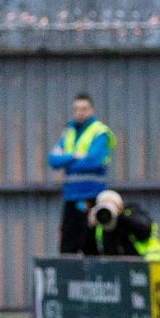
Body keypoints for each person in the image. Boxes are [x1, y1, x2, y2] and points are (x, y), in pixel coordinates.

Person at [47, 94, 114, 254]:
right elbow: (52, 160)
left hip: (91, 197)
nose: (80, 113)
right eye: (77, 109)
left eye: (84, 109)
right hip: (71, 196)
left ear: (92, 110)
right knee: (67, 245)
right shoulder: (69, 132)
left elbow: (92, 161)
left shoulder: (100, 132)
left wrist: (66, 159)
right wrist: (74, 156)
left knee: (90, 243)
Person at [82, 190, 160, 261]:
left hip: (149, 266)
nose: (106, 213)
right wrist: (90, 227)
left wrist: (119, 216)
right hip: (117, 271)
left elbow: (144, 232)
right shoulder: (100, 226)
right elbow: (89, 253)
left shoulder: (131, 213)